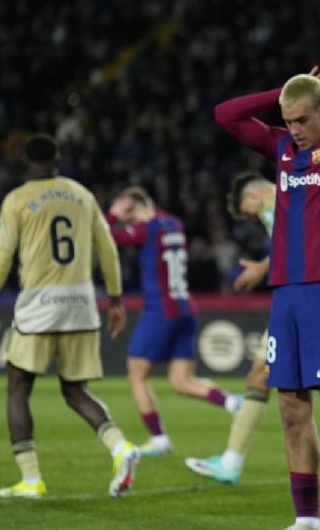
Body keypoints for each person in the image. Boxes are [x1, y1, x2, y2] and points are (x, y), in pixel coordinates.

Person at [213, 66, 320, 530]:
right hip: (285, 294)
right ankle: (306, 519)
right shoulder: (283, 148)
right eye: (288, 122)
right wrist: (284, 93)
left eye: (303, 120)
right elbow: (226, 115)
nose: (295, 131)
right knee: (290, 408)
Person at [184, 172, 320, 487]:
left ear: (252, 199)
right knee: (267, 374)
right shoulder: (309, 195)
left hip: (309, 297)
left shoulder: (273, 199)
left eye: (249, 213)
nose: (255, 219)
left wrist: (262, 268)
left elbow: (297, 241)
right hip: (317, 297)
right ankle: (230, 461)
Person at [0, 134, 140, 499]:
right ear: (58, 159)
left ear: (25, 164)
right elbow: (108, 249)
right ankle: (121, 447)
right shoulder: (82, 194)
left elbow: (1, 257)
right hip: (81, 302)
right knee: (75, 390)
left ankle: (31, 480)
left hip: (40, 304)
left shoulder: (17, 199)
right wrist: (115, 301)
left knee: (18, 386)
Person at [106, 186, 242, 456]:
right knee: (181, 381)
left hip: (160, 310)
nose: (128, 222)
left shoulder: (146, 229)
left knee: (136, 376)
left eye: (128, 215)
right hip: (185, 308)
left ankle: (158, 439)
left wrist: (112, 216)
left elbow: (104, 239)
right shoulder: (173, 223)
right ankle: (232, 402)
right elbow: (153, 214)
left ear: (134, 208)